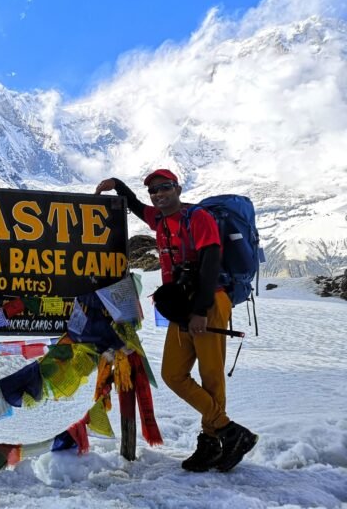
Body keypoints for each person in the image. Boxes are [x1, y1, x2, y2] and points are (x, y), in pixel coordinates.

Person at [95, 169, 258, 472]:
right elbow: (132, 203)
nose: (159, 194)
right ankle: (229, 431)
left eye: (165, 188)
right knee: (173, 374)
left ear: (178, 188)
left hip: (208, 302)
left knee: (211, 376)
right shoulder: (158, 219)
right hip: (183, 307)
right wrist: (117, 184)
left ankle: (212, 442)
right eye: (154, 191)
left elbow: (211, 262)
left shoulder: (197, 218)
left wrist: (200, 309)